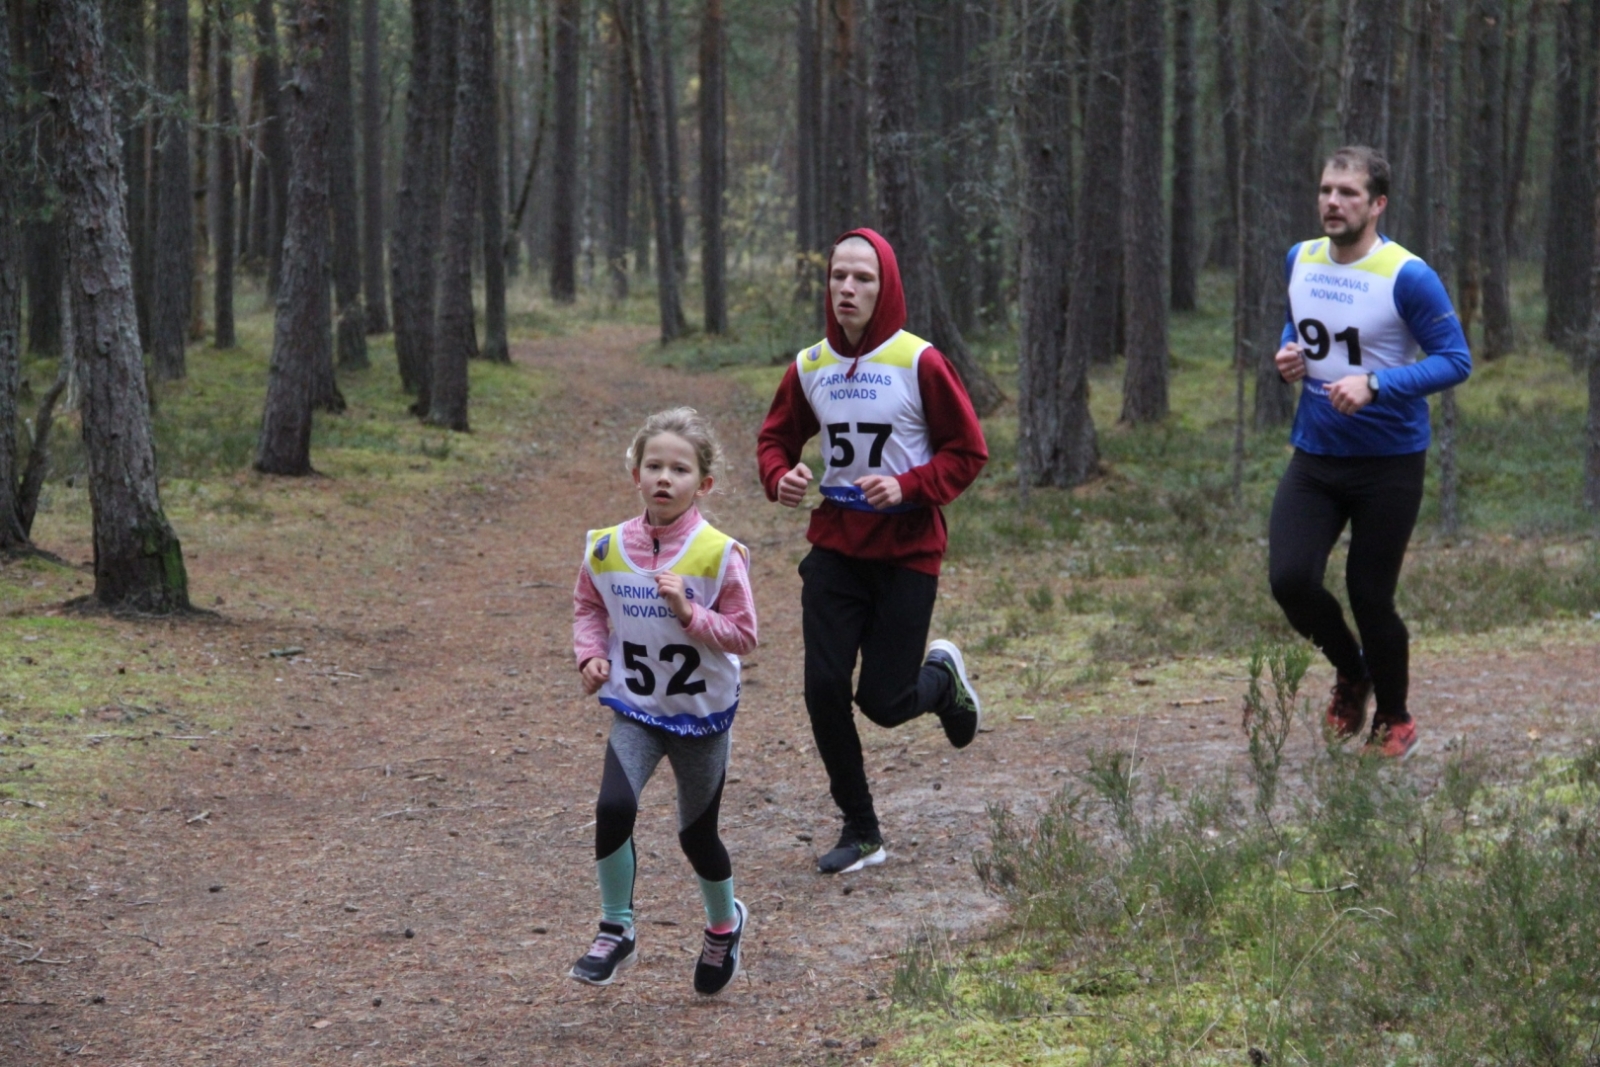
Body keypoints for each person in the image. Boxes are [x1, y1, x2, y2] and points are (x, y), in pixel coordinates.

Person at [757, 228, 989, 874]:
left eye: (863, 278)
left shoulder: (919, 362)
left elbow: (968, 452)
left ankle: (942, 681)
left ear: (886, 286)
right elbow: (775, 440)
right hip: (834, 547)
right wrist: (783, 477)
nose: (848, 289)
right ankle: (861, 828)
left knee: (883, 703)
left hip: (907, 552)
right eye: (838, 277)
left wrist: (907, 486)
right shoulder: (810, 366)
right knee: (824, 686)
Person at [1269, 146, 1471, 760]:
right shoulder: (1300, 258)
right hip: (1316, 454)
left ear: (1377, 204)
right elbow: (1301, 322)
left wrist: (1378, 383)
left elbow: (1454, 361)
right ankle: (1352, 670)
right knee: (1290, 580)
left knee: (1369, 592)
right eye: (1327, 189)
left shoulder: (1407, 274)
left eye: (1349, 193)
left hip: (1389, 461)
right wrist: (1289, 356)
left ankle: (1397, 717)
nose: (1334, 201)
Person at [568, 408, 758, 994]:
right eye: (654, 466)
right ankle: (615, 928)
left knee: (695, 836)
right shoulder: (604, 548)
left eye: (679, 469)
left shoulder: (718, 553)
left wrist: (689, 613)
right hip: (637, 709)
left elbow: (744, 635)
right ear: (635, 473)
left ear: (703, 484)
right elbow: (590, 607)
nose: (664, 478)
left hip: (700, 720)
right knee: (612, 808)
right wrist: (591, 654)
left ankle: (724, 924)